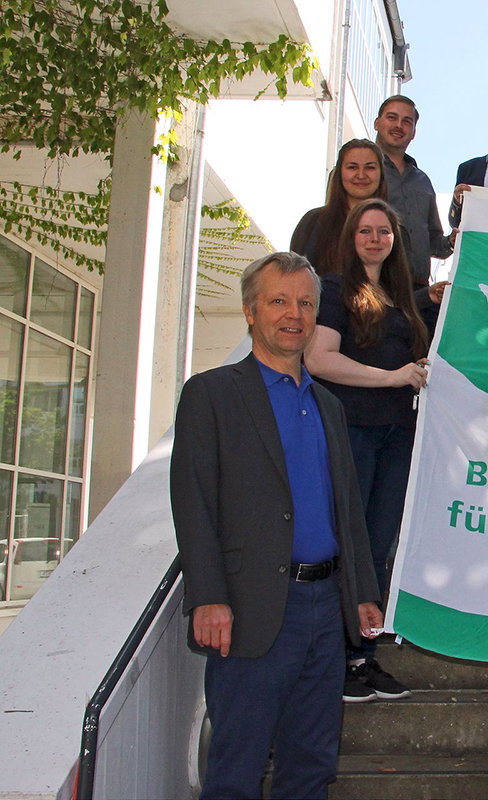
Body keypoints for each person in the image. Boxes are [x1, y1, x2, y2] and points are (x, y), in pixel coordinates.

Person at [170, 252, 381, 798]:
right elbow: (193, 503)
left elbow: (348, 512)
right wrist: (208, 596)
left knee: (311, 766)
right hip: (249, 608)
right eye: (279, 301)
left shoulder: (330, 406)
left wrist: (360, 592)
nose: (294, 314)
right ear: (249, 311)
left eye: (306, 303)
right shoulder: (211, 395)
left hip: (323, 612)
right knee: (236, 768)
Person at [304, 198, 432, 703]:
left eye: (384, 231)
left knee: (379, 547)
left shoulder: (402, 297)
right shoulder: (334, 290)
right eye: (365, 231)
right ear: (351, 238)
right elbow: (319, 360)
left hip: (398, 433)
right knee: (349, 544)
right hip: (352, 429)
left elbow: (407, 360)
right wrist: (393, 377)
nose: (375, 238)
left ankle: (366, 657)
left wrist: (416, 367)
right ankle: (337, 657)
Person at [374, 94, 454, 288]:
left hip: (418, 291)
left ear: (414, 132)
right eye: (392, 118)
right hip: (374, 285)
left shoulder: (422, 181)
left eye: (406, 121)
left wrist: (451, 241)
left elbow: (434, 242)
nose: (398, 126)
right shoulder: (361, 170)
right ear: (377, 123)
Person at [290, 138, 390, 275]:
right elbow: (295, 278)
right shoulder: (314, 222)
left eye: (370, 167)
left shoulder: (393, 229)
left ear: (381, 174)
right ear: (340, 173)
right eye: (352, 167)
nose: (361, 175)